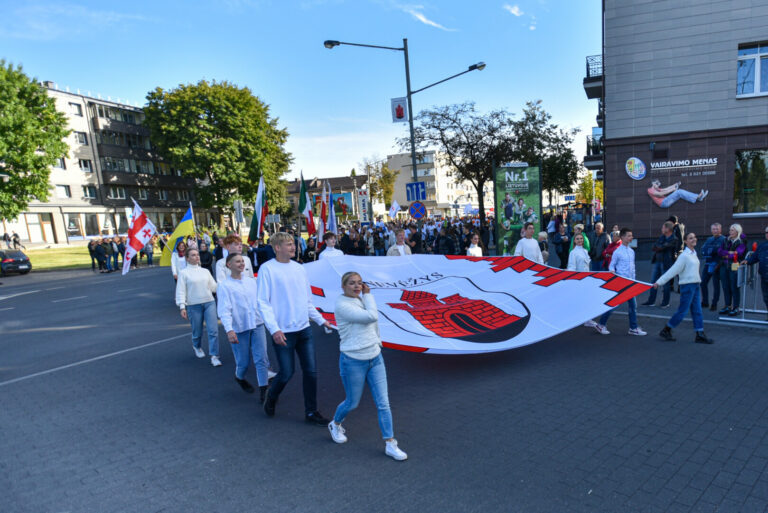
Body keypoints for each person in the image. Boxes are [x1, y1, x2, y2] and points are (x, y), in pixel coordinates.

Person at [327, 272, 408, 461]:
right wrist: (368, 295)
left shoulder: (360, 300)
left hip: (375, 358)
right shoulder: (343, 305)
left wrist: (377, 344)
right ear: (343, 286)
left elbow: (374, 325)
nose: (357, 287)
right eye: (352, 283)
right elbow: (372, 316)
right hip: (353, 360)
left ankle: (390, 443)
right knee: (352, 402)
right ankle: (335, 423)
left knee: (383, 403)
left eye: (359, 283)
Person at [258, 232, 333, 424]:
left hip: (304, 329)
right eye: (288, 244)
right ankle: (272, 397)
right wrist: (274, 329)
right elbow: (263, 303)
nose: (293, 247)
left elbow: (308, 301)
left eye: (293, 244)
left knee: (311, 372)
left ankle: (311, 412)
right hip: (283, 332)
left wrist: (320, 320)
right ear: (277, 248)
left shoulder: (299, 269)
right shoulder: (268, 269)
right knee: (287, 372)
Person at [217, 253, 271, 401]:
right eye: (237, 261)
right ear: (229, 265)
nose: (241, 264)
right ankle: (239, 377)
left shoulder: (251, 282)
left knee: (261, 359)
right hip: (239, 327)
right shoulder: (224, 286)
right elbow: (224, 310)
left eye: (242, 261)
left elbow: (261, 301)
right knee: (243, 362)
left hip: (257, 324)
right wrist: (229, 329)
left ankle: (263, 391)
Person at [654, 233, 713, 344]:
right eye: (690, 238)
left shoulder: (693, 253)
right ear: (685, 241)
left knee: (697, 311)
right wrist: (659, 282)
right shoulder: (684, 256)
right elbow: (673, 270)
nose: (694, 239)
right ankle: (666, 329)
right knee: (683, 311)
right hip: (687, 286)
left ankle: (699, 334)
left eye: (694, 237)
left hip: (695, 285)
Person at [594, 228, 647, 336]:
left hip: (630, 283)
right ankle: (601, 324)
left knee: (633, 306)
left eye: (631, 236)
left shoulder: (631, 251)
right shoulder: (617, 252)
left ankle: (633, 327)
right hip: (621, 282)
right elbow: (611, 265)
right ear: (622, 237)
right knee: (614, 304)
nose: (631, 237)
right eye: (629, 236)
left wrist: (634, 281)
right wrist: (613, 273)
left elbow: (633, 268)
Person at [175, 247, 220, 366]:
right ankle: (196, 346)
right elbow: (180, 291)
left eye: (197, 255)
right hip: (193, 305)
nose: (197, 257)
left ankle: (214, 355)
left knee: (213, 331)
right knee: (197, 331)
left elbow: (214, 287)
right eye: (193, 255)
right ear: (187, 258)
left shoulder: (205, 271)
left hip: (209, 302)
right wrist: (182, 306)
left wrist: (225, 286)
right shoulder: (184, 273)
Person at [641, 221, 677, 308]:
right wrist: (660, 247)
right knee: (653, 282)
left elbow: (662, 247)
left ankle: (665, 302)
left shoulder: (674, 239)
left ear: (668, 229)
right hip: (658, 261)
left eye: (663, 227)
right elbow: (655, 246)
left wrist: (660, 247)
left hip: (666, 263)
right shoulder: (662, 237)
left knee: (666, 283)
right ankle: (651, 301)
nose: (662, 229)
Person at [718, 224, 747, 316]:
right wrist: (729, 253)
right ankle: (727, 305)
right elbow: (719, 251)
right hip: (724, 266)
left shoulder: (741, 241)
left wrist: (727, 254)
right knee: (725, 286)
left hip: (734, 266)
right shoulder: (726, 240)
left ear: (737, 232)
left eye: (732, 230)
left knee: (734, 287)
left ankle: (736, 307)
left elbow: (737, 254)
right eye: (730, 230)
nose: (730, 232)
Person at [742, 225, 768, 320]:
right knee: (766, 297)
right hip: (764, 276)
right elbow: (755, 257)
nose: (767, 234)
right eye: (766, 233)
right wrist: (747, 261)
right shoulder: (762, 246)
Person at [699, 223, 725, 311]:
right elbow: (703, 250)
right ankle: (705, 302)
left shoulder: (724, 240)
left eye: (717, 229)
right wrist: (712, 250)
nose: (715, 231)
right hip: (708, 264)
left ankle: (714, 303)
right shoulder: (709, 239)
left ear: (720, 230)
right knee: (703, 283)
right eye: (713, 229)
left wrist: (711, 250)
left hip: (717, 265)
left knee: (715, 285)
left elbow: (719, 252)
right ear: (711, 230)